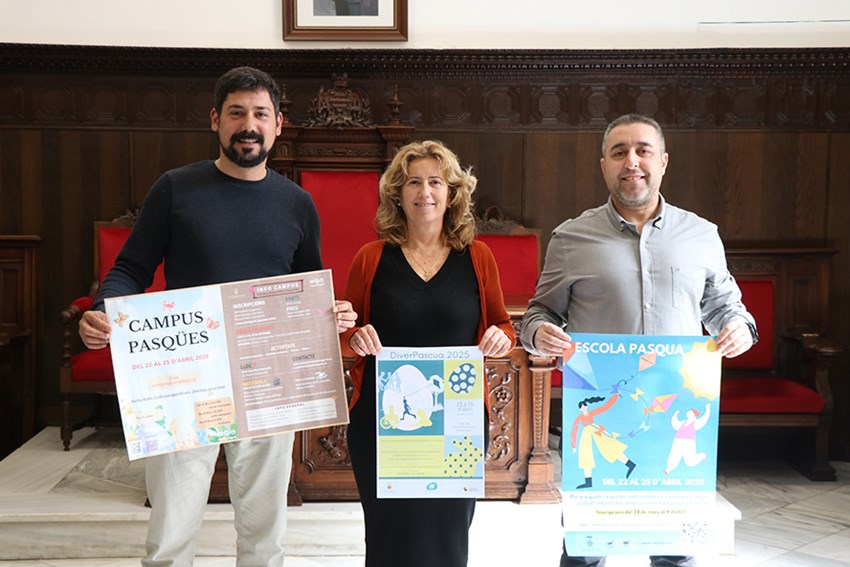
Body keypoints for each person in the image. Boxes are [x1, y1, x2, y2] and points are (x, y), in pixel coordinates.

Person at [78, 66, 356, 567]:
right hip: (184, 379)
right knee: (170, 533)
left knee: (264, 535)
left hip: (269, 381)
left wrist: (328, 312)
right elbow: (130, 269)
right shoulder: (175, 188)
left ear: (277, 124)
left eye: (260, 114)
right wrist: (102, 312)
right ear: (215, 120)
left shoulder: (297, 204)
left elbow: (308, 288)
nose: (249, 125)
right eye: (236, 113)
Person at [520, 113, 757, 567]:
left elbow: (728, 307)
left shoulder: (702, 235)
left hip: (673, 416)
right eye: (619, 152)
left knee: (676, 554)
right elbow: (539, 312)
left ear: (663, 161)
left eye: (643, 150)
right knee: (586, 551)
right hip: (606, 413)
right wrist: (538, 332)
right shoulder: (570, 238)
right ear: (603, 166)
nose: (632, 161)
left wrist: (740, 328)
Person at [340, 139, 516, 567]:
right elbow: (346, 333)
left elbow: (504, 326)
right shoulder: (370, 258)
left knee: (448, 537)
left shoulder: (478, 257)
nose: (425, 192)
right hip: (383, 421)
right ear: (397, 194)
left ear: (452, 192)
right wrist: (355, 336)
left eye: (436, 182)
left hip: (456, 421)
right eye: (413, 182)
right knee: (388, 539)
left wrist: (501, 338)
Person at [570, 394, 636, 489]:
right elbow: (574, 429)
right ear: (580, 408)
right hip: (587, 433)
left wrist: (615, 396)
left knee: (610, 446)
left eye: (584, 405)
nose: (583, 408)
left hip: (596, 430)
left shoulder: (591, 413)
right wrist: (573, 445)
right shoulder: (579, 418)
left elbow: (605, 407)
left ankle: (630, 464)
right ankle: (588, 481)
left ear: (587, 406)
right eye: (581, 406)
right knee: (585, 454)